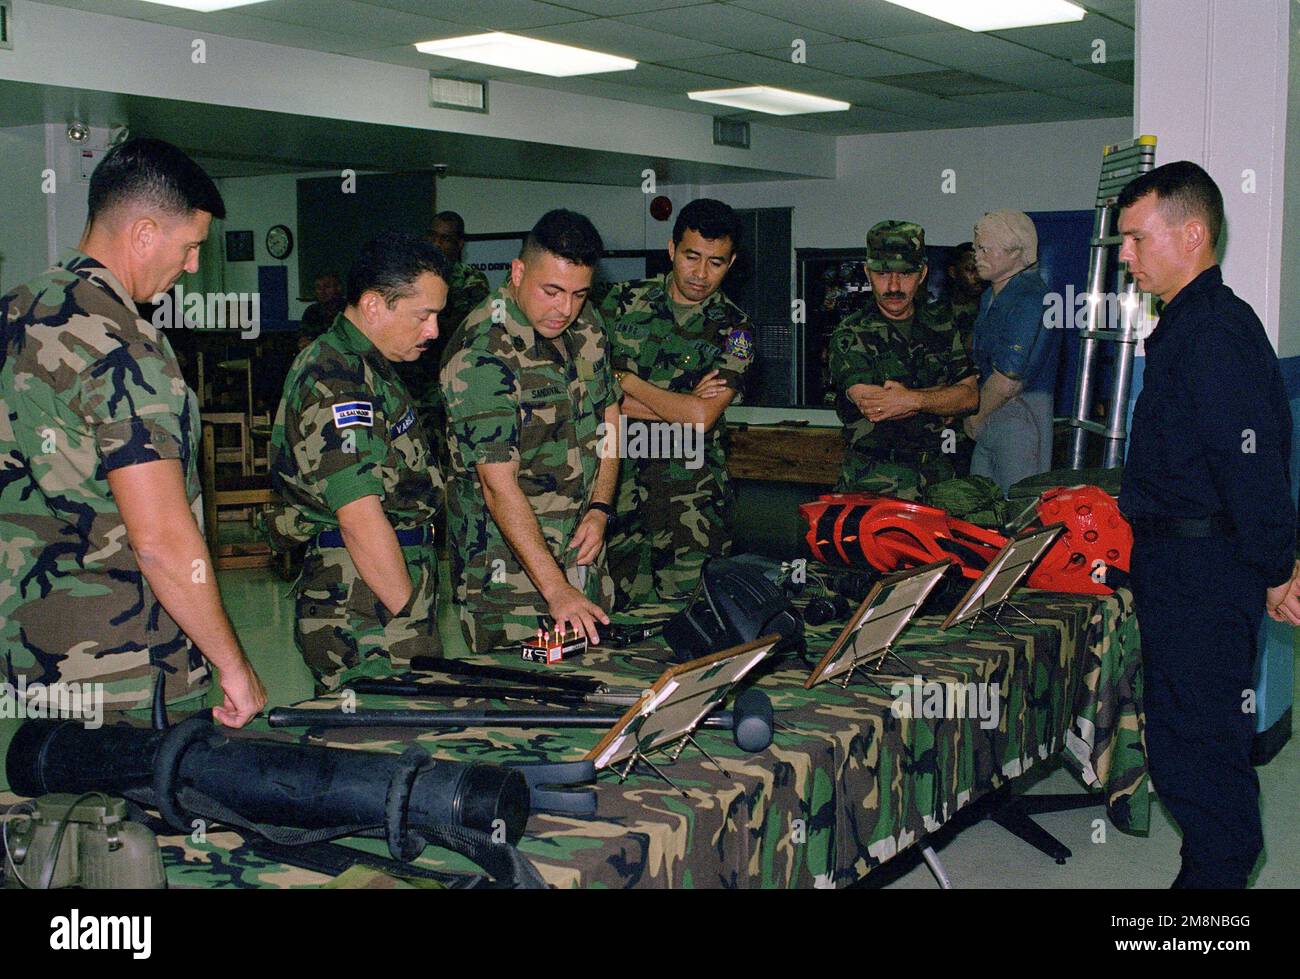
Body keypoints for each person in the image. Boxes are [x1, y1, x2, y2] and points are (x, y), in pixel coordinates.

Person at [0, 137, 265, 725]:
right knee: (145, 816)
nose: (193, 265)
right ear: (143, 233)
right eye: (190, 246)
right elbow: (161, 538)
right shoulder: (124, 346)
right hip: (129, 670)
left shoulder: (13, 312)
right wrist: (233, 664)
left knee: (63, 817)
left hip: (29, 656)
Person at [1116, 160, 1300, 888]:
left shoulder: (1215, 332)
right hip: (1182, 570)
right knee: (1186, 747)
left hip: (1201, 575)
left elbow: (1252, 466)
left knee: (1200, 755)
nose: (1125, 254)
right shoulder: (1191, 324)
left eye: (1136, 238)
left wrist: (1278, 567)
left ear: (1192, 233)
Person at [263, 233, 447, 693]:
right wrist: (411, 625)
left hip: (378, 594)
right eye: (423, 315)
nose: (433, 331)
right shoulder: (336, 377)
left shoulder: (368, 365)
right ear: (372, 306)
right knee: (378, 744)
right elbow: (360, 519)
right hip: (364, 611)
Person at [440, 210, 620, 653]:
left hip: (583, 558)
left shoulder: (587, 324)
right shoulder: (482, 353)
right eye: (551, 291)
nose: (565, 308)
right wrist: (556, 590)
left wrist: (600, 506)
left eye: (579, 294)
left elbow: (610, 414)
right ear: (518, 272)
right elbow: (496, 484)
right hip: (510, 584)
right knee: (524, 711)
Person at [599, 198, 752, 608]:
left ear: (732, 262)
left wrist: (626, 381)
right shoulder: (618, 303)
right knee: (615, 614)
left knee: (692, 616)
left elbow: (702, 418)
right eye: (691, 257)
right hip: (620, 488)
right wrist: (679, 405)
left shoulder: (736, 330)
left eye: (716, 263)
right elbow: (591, 393)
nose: (701, 274)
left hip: (692, 500)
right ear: (671, 250)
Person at [829, 220, 978, 498]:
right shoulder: (851, 333)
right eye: (883, 273)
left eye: (906, 273)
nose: (894, 286)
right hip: (875, 481)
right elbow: (875, 405)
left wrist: (911, 399)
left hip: (941, 478)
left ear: (922, 274)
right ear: (867, 272)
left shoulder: (942, 325)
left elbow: (970, 398)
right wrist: (943, 398)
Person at [962, 210, 1059, 494]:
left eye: (985, 249)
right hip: (989, 412)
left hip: (1020, 414)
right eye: (976, 248)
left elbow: (1008, 379)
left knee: (1019, 507)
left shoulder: (1031, 298)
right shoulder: (990, 296)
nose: (977, 256)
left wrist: (975, 417)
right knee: (981, 509)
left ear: (1016, 251)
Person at [944, 241, 983, 353]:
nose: (978, 276)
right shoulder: (934, 314)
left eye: (981, 269)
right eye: (970, 269)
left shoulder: (989, 311)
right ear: (953, 272)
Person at [299, 271, 345, 347]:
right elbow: (304, 337)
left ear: (338, 288)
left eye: (327, 287)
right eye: (318, 288)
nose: (322, 292)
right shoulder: (311, 311)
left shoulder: (348, 310)